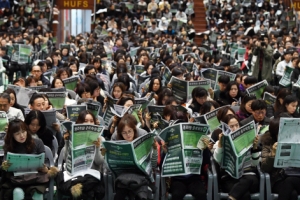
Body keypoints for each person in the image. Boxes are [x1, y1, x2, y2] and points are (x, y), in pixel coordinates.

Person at [57, 110, 105, 199]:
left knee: (86, 189)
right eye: (85, 121)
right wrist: (67, 142)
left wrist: (97, 147)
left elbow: (99, 162)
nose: (89, 124)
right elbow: (66, 159)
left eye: (91, 121)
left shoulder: (101, 139)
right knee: (84, 190)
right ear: (79, 123)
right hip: (76, 174)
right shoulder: (73, 137)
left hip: (92, 174)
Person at [0, 119, 51, 200]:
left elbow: (46, 161)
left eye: (24, 132)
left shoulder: (37, 142)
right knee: (18, 193)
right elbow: (4, 165)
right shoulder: (9, 146)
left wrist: (45, 168)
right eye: (17, 134)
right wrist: (5, 166)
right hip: (17, 180)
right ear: (12, 135)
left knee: (38, 195)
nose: (22, 136)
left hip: (35, 179)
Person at [214, 114, 260, 200]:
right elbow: (217, 160)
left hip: (248, 177)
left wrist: (254, 147)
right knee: (244, 195)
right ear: (225, 128)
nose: (235, 128)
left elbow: (255, 163)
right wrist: (220, 144)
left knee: (248, 179)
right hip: (230, 178)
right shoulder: (220, 143)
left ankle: (231, 198)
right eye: (231, 126)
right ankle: (232, 197)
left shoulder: (247, 139)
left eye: (237, 125)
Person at [113, 114, 157, 200]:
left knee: (141, 195)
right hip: (124, 178)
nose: (128, 135)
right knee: (119, 196)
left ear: (134, 130)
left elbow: (153, 164)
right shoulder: (116, 139)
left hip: (141, 177)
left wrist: (154, 150)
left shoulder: (142, 136)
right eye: (124, 133)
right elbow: (108, 167)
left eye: (130, 131)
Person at [261, 118, 300, 200]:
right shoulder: (269, 144)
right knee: (292, 193)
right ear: (275, 134)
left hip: (297, 177)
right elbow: (264, 167)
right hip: (279, 179)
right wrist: (272, 154)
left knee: (290, 181)